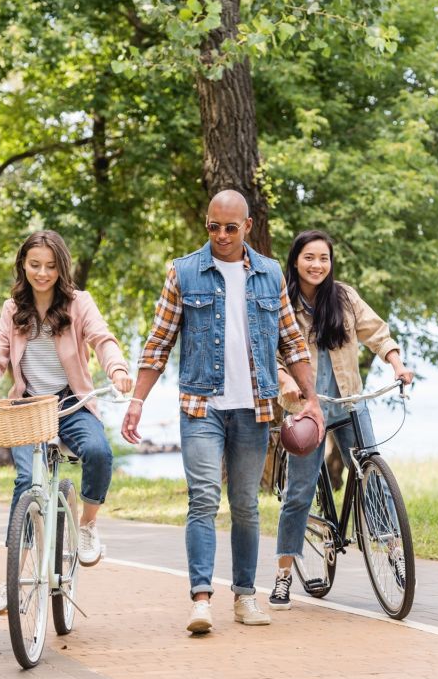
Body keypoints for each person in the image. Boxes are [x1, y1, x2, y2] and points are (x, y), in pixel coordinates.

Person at [121, 190, 324, 634]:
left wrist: (311, 399)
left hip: (253, 409)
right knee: (204, 499)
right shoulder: (183, 271)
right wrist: (137, 401)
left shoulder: (270, 275)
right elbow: (158, 344)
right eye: (214, 226)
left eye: (231, 227)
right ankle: (200, 600)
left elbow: (292, 343)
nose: (222, 235)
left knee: (247, 506)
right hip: (201, 406)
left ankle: (246, 596)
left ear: (248, 226)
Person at [0, 230, 133, 615]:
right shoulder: (13, 310)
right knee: (26, 483)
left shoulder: (79, 303)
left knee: (98, 452)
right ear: (24, 265)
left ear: (62, 267)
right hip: (27, 407)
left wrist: (119, 368)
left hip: (71, 403)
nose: (42, 273)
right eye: (35, 265)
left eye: (50, 266)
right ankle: (13, 581)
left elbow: (102, 340)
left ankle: (88, 526)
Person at [268, 230, 413, 611]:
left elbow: (376, 332)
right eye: (309, 257)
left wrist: (397, 362)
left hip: (349, 402)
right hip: (306, 409)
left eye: (324, 258)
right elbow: (274, 356)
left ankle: (395, 554)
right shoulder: (282, 301)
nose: (317, 265)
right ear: (296, 260)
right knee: (299, 493)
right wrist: (287, 385)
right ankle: (284, 573)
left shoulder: (344, 298)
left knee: (374, 476)